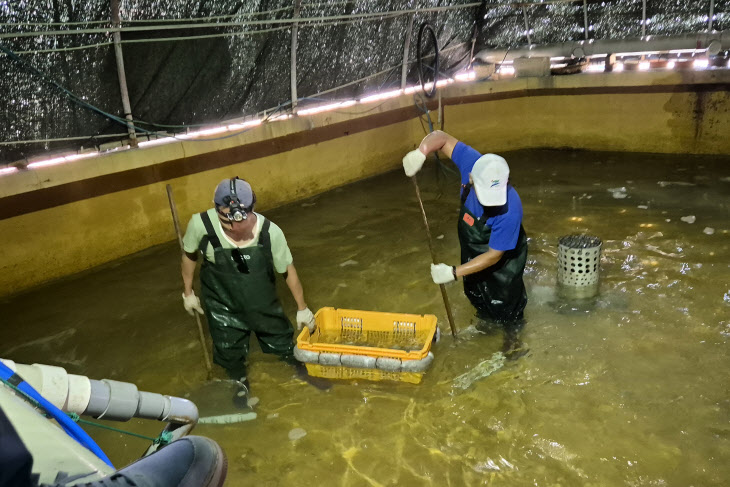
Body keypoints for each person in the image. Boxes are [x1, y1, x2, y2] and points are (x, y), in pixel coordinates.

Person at [180, 177, 317, 407]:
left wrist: (302, 308)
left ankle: (301, 371)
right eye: (227, 223)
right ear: (217, 212)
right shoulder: (200, 225)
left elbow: (288, 271)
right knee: (229, 352)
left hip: (262, 302)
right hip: (222, 303)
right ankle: (240, 384)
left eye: (239, 223)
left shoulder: (270, 232)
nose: (234, 229)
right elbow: (189, 255)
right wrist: (188, 293)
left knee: (282, 342)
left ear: (251, 210)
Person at [402, 131, 528, 356]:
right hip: (474, 248)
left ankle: (513, 340)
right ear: (471, 178)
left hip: (502, 257)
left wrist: (453, 272)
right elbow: (441, 138)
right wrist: (421, 152)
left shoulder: (510, 210)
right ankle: (485, 326)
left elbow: (493, 256)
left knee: (506, 302)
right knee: (476, 291)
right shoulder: (474, 163)